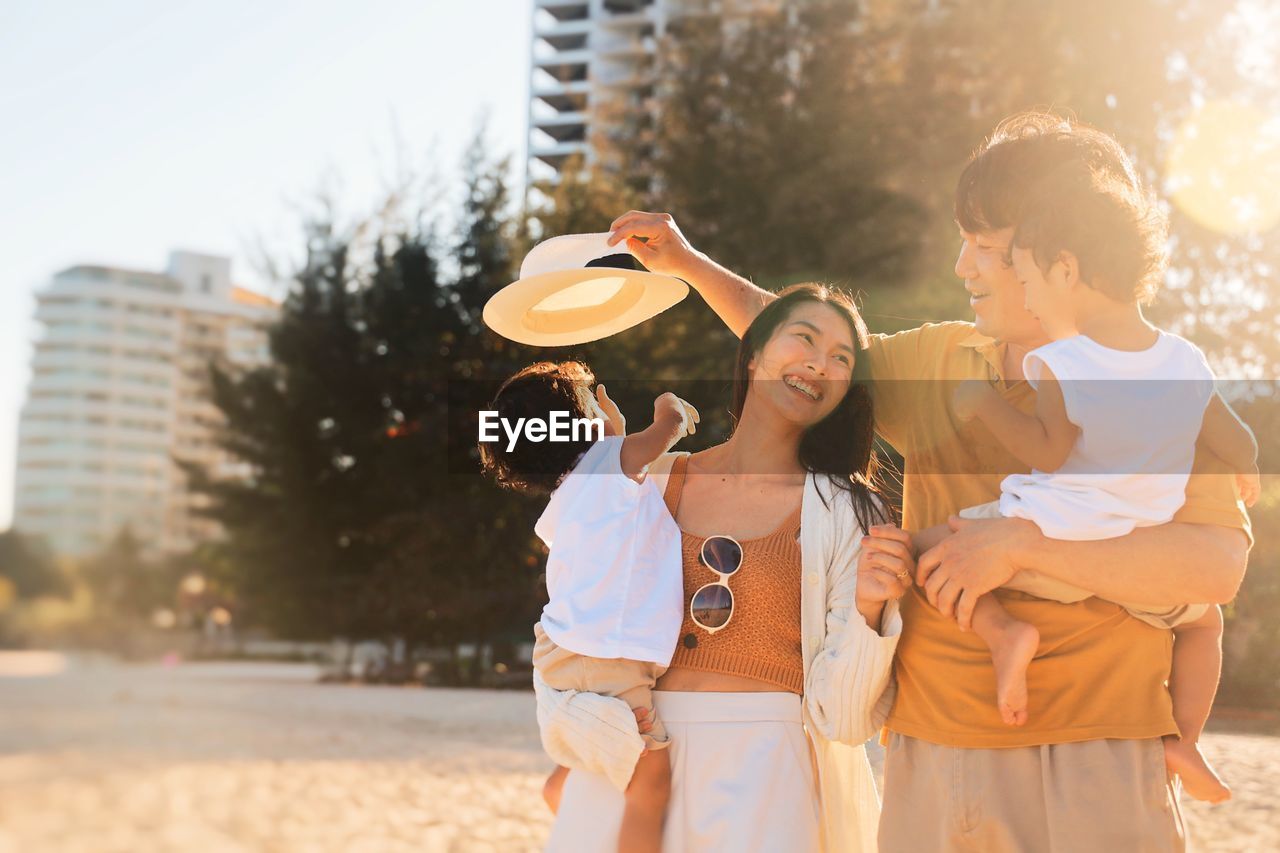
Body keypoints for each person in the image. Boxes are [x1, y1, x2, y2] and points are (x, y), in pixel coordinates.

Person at [605, 112, 1252, 851]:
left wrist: (1020, 546)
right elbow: (805, 347)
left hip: (1098, 754)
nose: (962, 267)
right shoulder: (945, 361)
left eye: (985, 246)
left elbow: (1216, 563)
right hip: (927, 761)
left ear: (1057, 256)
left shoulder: (1158, 383)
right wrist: (688, 264)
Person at [919, 153, 1260, 806]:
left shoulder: (1061, 359)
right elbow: (1236, 438)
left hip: (1051, 532)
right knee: (1205, 625)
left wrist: (982, 403)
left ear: (1066, 270)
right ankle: (1184, 738)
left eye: (1029, 280)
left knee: (925, 547)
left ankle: (1003, 635)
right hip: (1136, 558)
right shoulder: (1184, 359)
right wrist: (1243, 469)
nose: (1031, 301)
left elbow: (1048, 451)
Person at [533, 284, 914, 852]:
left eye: (842, 358)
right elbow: (571, 617)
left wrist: (867, 613)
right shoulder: (654, 480)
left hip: (767, 774)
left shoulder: (849, 511)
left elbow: (846, 719)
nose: (820, 363)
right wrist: (582, 736)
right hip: (635, 753)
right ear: (754, 352)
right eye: (805, 339)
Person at [478, 360, 700, 853]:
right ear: (585, 421)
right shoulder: (608, 463)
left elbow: (617, 477)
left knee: (591, 751)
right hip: (611, 660)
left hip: (559, 654)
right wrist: (669, 409)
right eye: (592, 400)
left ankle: (562, 790)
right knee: (651, 783)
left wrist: (610, 435)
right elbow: (658, 439)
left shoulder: (566, 497)